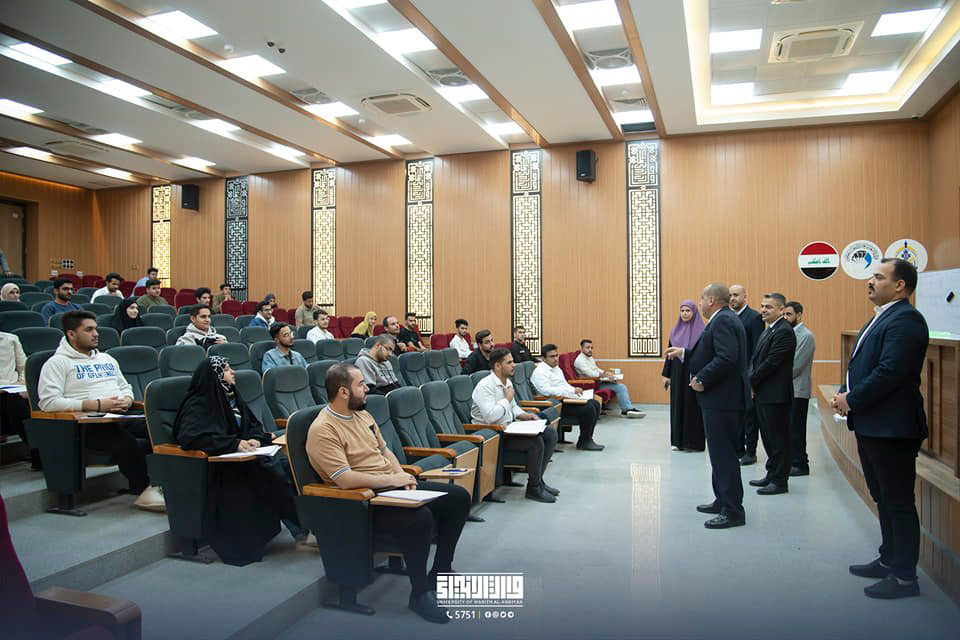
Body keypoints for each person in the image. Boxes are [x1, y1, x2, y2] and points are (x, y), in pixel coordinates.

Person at [307, 363, 470, 623]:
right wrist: (392, 480)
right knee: (420, 518)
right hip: (362, 502)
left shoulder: (363, 415)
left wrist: (402, 477)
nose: (367, 388)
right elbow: (345, 479)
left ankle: (440, 572)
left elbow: (385, 451)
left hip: (391, 487)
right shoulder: (323, 429)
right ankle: (419, 593)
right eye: (361, 384)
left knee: (458, 498)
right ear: (343, 392)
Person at [832, 258, 929, 599]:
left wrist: (852, 399)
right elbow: (863, 365)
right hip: (874, 423)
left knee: (898, 501)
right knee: (883, 497)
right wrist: (845, 394)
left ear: (900, 285)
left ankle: (905, 578)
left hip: (893, 427)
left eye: (878, 277)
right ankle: (889, 558)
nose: (870, 282)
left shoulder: (907, 320)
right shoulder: (884, 316)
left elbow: (890, 371)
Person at [172, 356, 301, 565]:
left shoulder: (232, 396)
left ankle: (305, 528)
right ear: (215, 376)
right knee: (272, 471)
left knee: (288, 466)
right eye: (226, 369)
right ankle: (302, 531)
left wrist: (254, 438)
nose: (232, 372)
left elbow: (253, 425)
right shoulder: (198, 403)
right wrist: (234, 444)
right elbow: (191, 437)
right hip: (217, 466)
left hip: (245, 457)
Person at [36, 311, 163, 511]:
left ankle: (167, 484)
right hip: (87, 424)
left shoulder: (106, 358)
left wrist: (127, 399)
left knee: (162, 428)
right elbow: (48, 402)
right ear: (71, 334)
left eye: (96, 329)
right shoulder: (57, 363)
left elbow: (125, 387)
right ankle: (146, 491)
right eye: (88, 330)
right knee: (127, 443)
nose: (96, 334)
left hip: (121, 415)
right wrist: (95, 405)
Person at [666, 283, 749, 529]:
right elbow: (710, 353)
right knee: (719, 453)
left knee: (724, 455)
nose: (700, 302)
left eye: (702, 298)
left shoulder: (722, 321)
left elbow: (726, 357)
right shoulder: (723, 318)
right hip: (721, 399)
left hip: (722, 399)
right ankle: (722, 500)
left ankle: (732, 511)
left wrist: (702, 378)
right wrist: (684, 353)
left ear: (711, 300)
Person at [472, 348, 559, 503]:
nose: (514, 365)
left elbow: (513, 407)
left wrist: (524, 415)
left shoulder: (507, 382)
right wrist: (506, 399)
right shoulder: (485, 386)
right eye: (509, 362)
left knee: (549, 433)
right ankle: (533, 488)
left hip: (508, 428)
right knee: (535, 442)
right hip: (492, 434)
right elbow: (490, 417)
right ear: (497, 366)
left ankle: (539, 480)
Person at [747, 293, 796, 496]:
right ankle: (771, 473)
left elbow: (771, 363)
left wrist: (751, 381)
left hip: (776, 395)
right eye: (762, 306)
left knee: (778, 439)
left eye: (769, 307)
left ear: (781, 310)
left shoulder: (784, 331)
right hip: (763, 393)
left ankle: (780, 481)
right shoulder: (769, 329)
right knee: (768, 437)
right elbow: (756, 359)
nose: (763, 310)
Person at [531, 344, 604, 451]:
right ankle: (584, 441)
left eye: (556, 355)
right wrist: (570, 392)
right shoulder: (540, 372)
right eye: (552, 356)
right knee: (589, 408)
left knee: (594, 403)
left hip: (565, 398)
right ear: (543, 358)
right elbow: (545, 391)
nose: (556, 359)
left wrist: (574, 390)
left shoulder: (556, 368)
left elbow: (565, 385)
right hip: (553, 404)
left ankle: (587, 439)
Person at [661, 301, 706, 451]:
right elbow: (669, 355)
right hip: (677, 373)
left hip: (693, 373)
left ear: (694, 312)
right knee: (677, 405)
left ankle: (693, 443)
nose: (685, 313)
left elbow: (703, 355)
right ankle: (677, 441)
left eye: (688, 311)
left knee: (692, 407)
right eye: (682, 311)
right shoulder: (675, 331)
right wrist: (666, 374)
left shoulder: (702, 332)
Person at [729, 284, 764, 465]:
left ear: (745, 296)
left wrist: (751, 378)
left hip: (747, 376)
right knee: (735, 415)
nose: (732, 298)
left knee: (750, 417)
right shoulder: (728, 317)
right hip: (730, 377)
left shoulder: (754, 317)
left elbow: (757, 350)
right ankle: (737, 448)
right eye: (730, 295)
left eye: (736, 295)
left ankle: (750, 451)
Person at [575, 339, 645, 418]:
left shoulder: (589, 357)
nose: (590, 350)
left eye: (591, 348)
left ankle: (627, 409)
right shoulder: (579, 361)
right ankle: (626, 409)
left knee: (620, 386)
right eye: (587, 348)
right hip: (590, 385)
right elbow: (591, 374)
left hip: (597, 382)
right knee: (620, 387)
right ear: (582, 348)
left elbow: (595, 369)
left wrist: (605, 372)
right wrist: (605, 375)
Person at [784, 301, 815, 476]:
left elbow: (795, 366)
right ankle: (791, 462)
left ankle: (801, 464)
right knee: (788, 429)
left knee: (796, 429)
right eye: (784, 314)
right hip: (787, 389)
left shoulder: (806, 336)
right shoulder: (787, 333)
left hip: (798, 390)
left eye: (789, 314)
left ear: (799, 315)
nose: (785, 318)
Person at [0, 331, 35, 467]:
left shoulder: (11, 339)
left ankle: (38, 453)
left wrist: (21, 383)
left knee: (17, 402)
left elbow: (24, 367)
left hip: (11, 389)